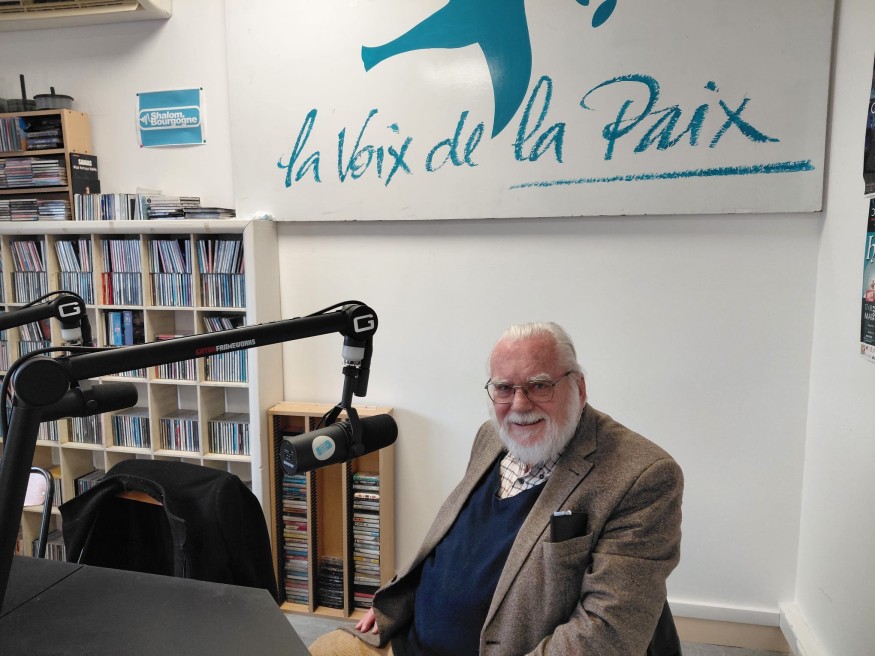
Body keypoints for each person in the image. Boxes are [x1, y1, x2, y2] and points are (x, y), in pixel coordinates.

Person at [309, 322, 683, 655]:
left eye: (539, 385)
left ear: (579, 387)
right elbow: (451, 544)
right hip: (409, 639)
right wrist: (396, 603)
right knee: (319, 649)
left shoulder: (643, 475)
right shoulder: (492, 436)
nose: (519, 405)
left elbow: (607, 635)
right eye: (504, 388)